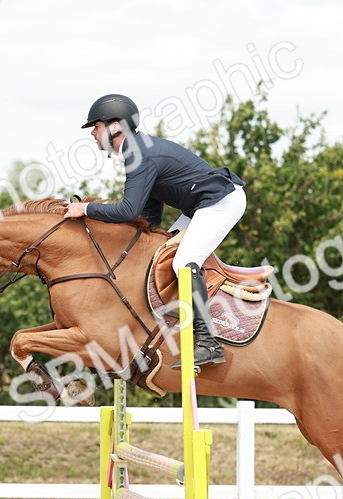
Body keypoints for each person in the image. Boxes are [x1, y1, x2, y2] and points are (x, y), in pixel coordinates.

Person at [63, 93, 246, 369]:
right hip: (200, 206)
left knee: (184, 262)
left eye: (96, 127)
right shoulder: (137, 150)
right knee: (156, 258)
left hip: (222, 202)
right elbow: (148, 216)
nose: (93, 134)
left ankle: (209, 343)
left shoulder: (139, 153)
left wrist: (86, 211)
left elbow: (128, 211)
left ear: (115, 127)